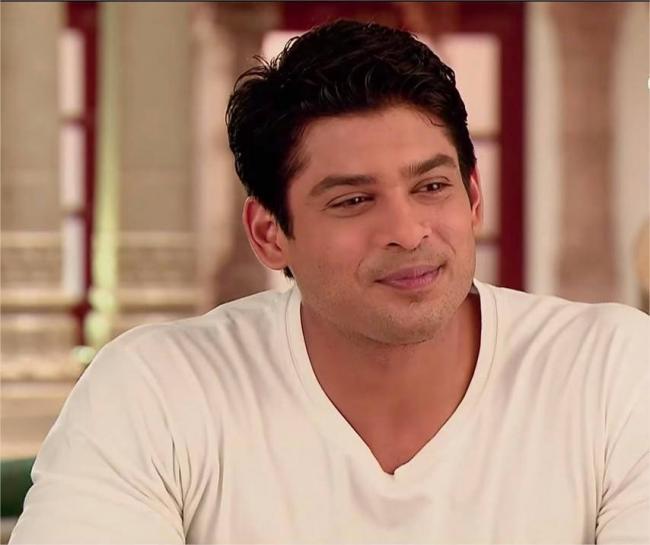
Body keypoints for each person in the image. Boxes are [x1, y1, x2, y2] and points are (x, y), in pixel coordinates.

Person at [10, 19, 649, 544]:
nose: (408, 232)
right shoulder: (156, 390)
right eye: (353, 201)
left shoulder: (612, 371)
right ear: (269, 234)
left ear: (474, 198)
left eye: (432, 186)